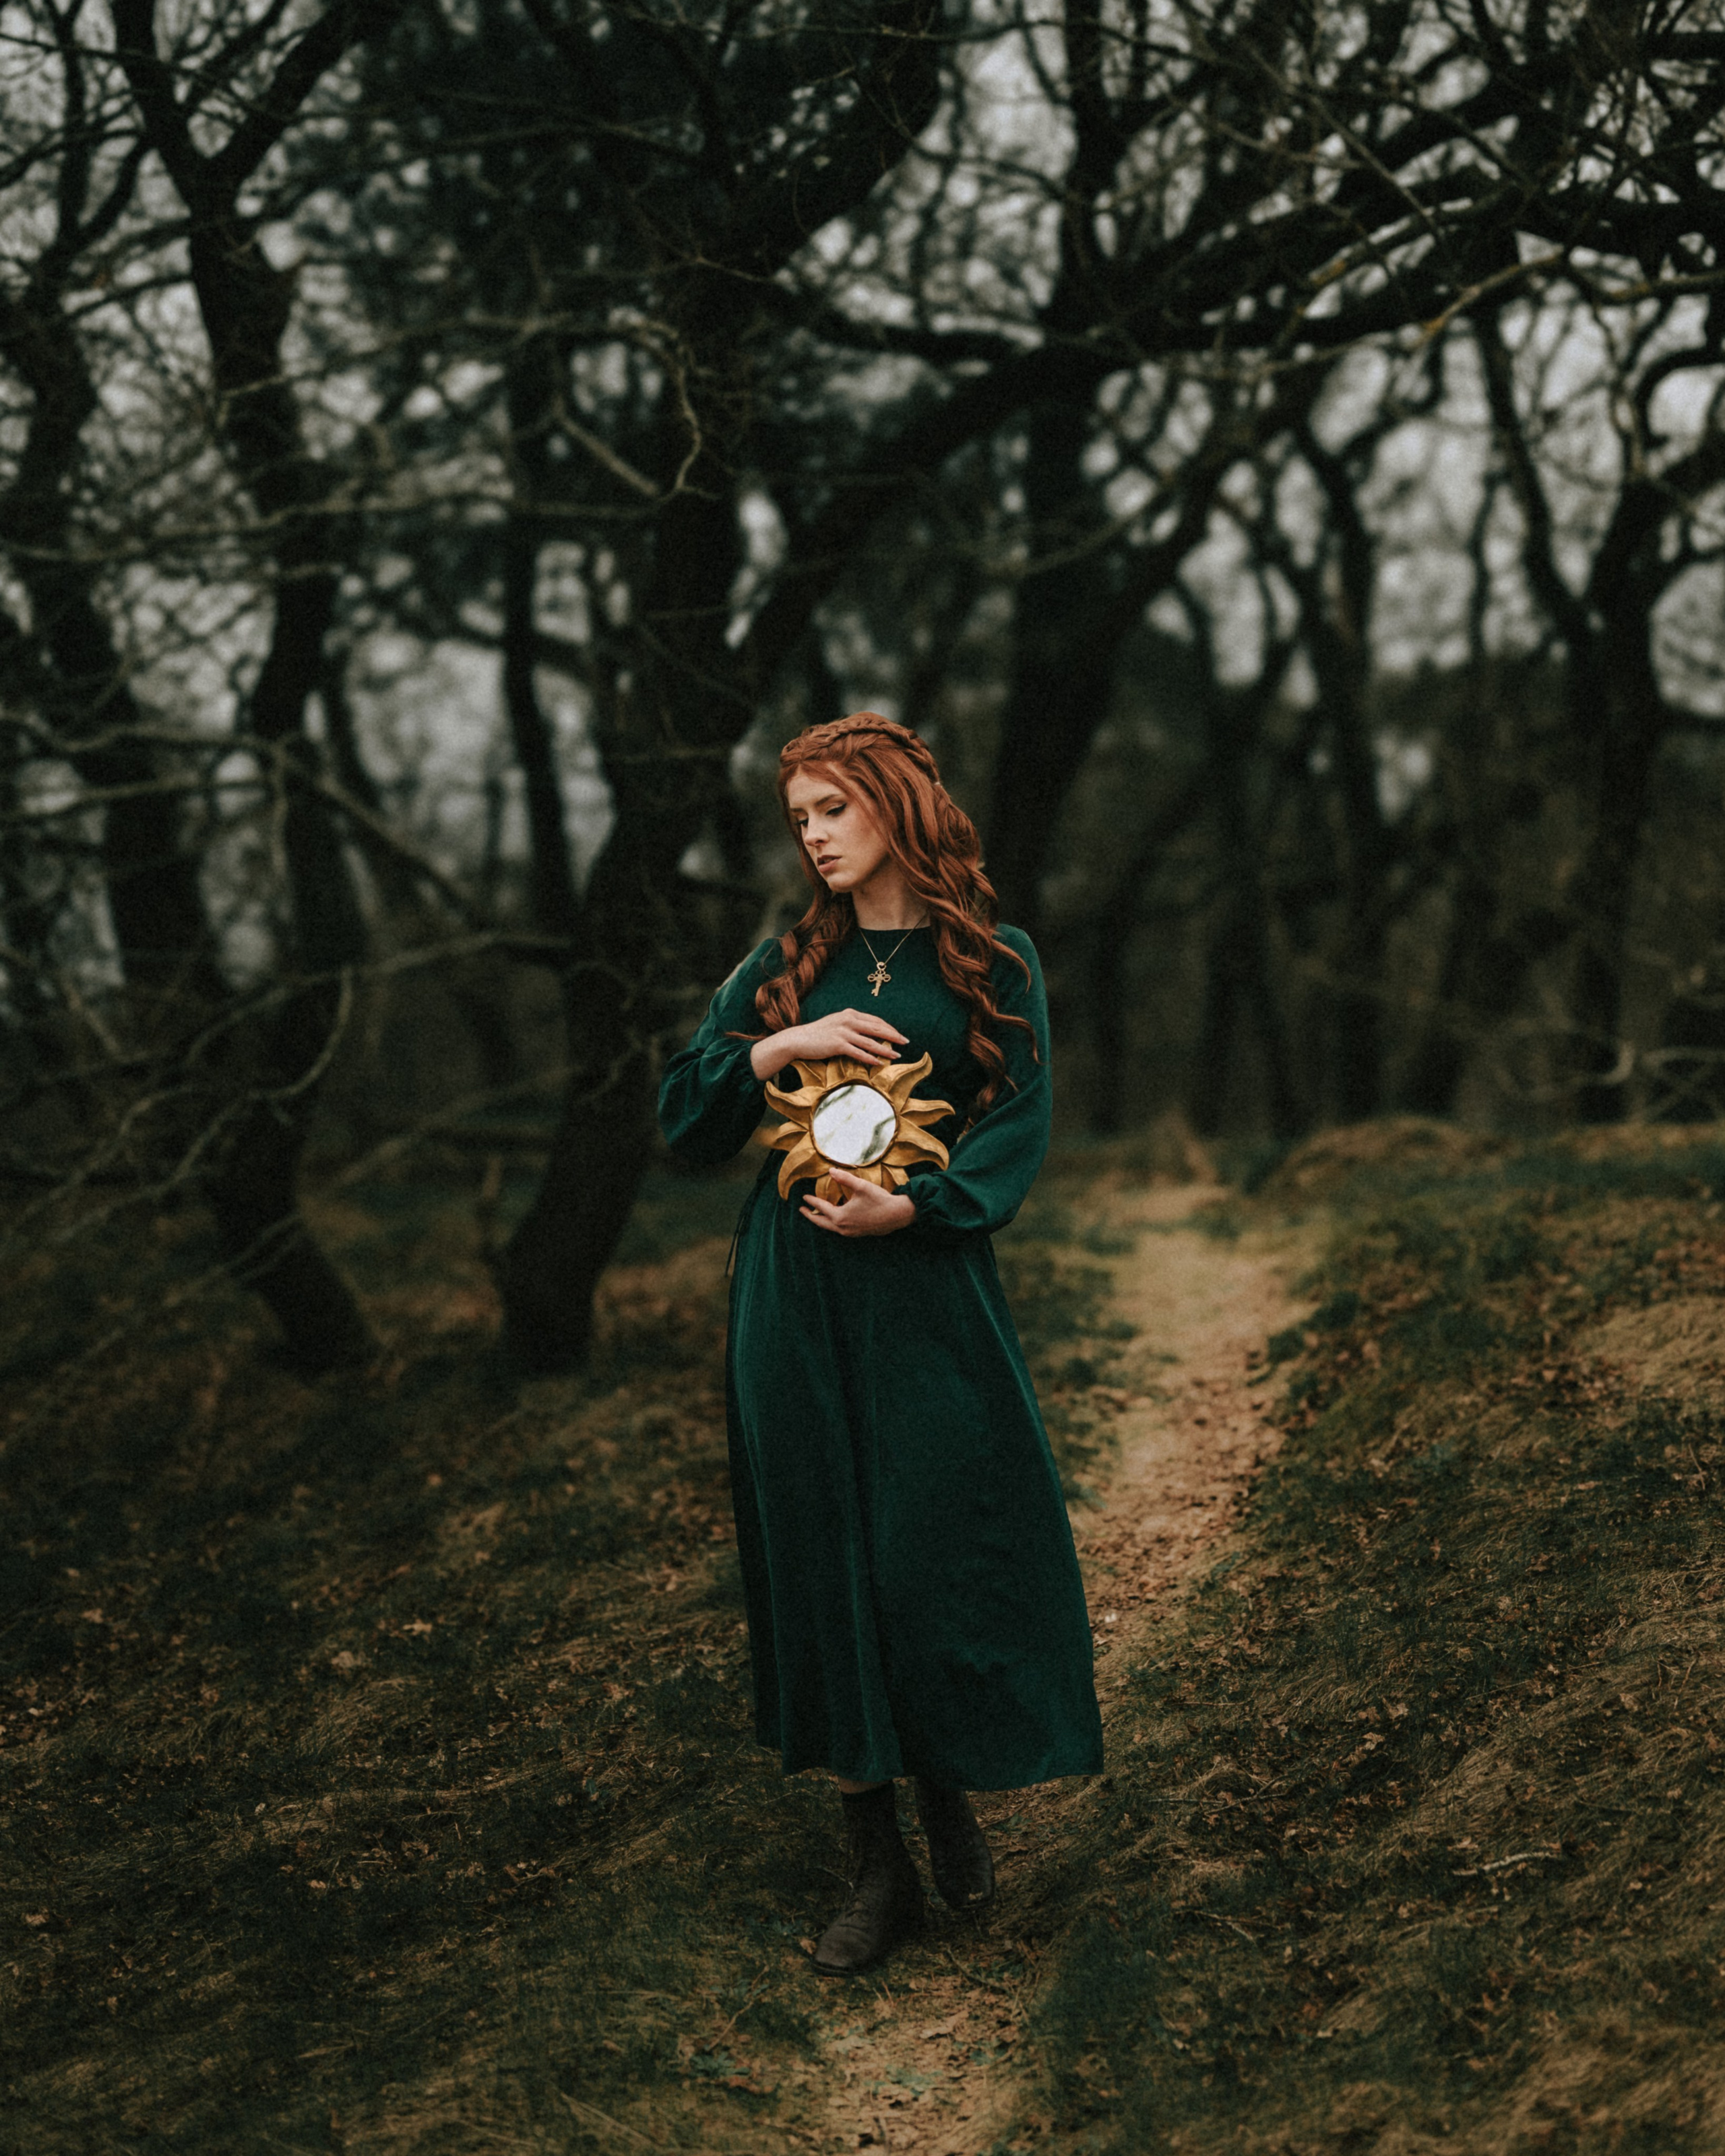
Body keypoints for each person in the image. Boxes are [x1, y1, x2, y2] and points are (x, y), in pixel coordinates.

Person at [658, 713, 1103, 1975]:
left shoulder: (993, 962)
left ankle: (950, 1789)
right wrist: (781, 1045)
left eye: (832, 810)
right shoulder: (781, 968)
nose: (813, 836)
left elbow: (1018, 1127)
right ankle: (876, 1861)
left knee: (928, 1539)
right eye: (798, 818)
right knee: (823, 1550)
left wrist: (918, 1207)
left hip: (924, 1284)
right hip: (793, 1293)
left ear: (896, 805)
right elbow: (685, 1120)